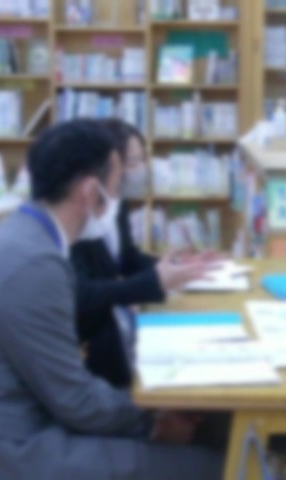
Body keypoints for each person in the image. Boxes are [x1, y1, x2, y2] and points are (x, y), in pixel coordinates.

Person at [0, 120, 222, 480]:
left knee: (203, 423)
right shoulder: (34, 264)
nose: (117, 201)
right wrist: (152, 424)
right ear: (90, 192)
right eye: (115, 187)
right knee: (216, 464)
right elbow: (75, 402)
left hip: (13, 426)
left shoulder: (24, 235)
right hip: (17, 454)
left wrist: (149, 413)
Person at [72, 119, 216, 389]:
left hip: (110, 321)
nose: (140, 170)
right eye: (132, 162)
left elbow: (126, 258)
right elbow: (82, 293)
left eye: (142, 160)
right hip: (93, 331)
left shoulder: (116, 202)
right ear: (109, 166)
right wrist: (153, 282)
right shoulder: (79, 214)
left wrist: (176, 266)